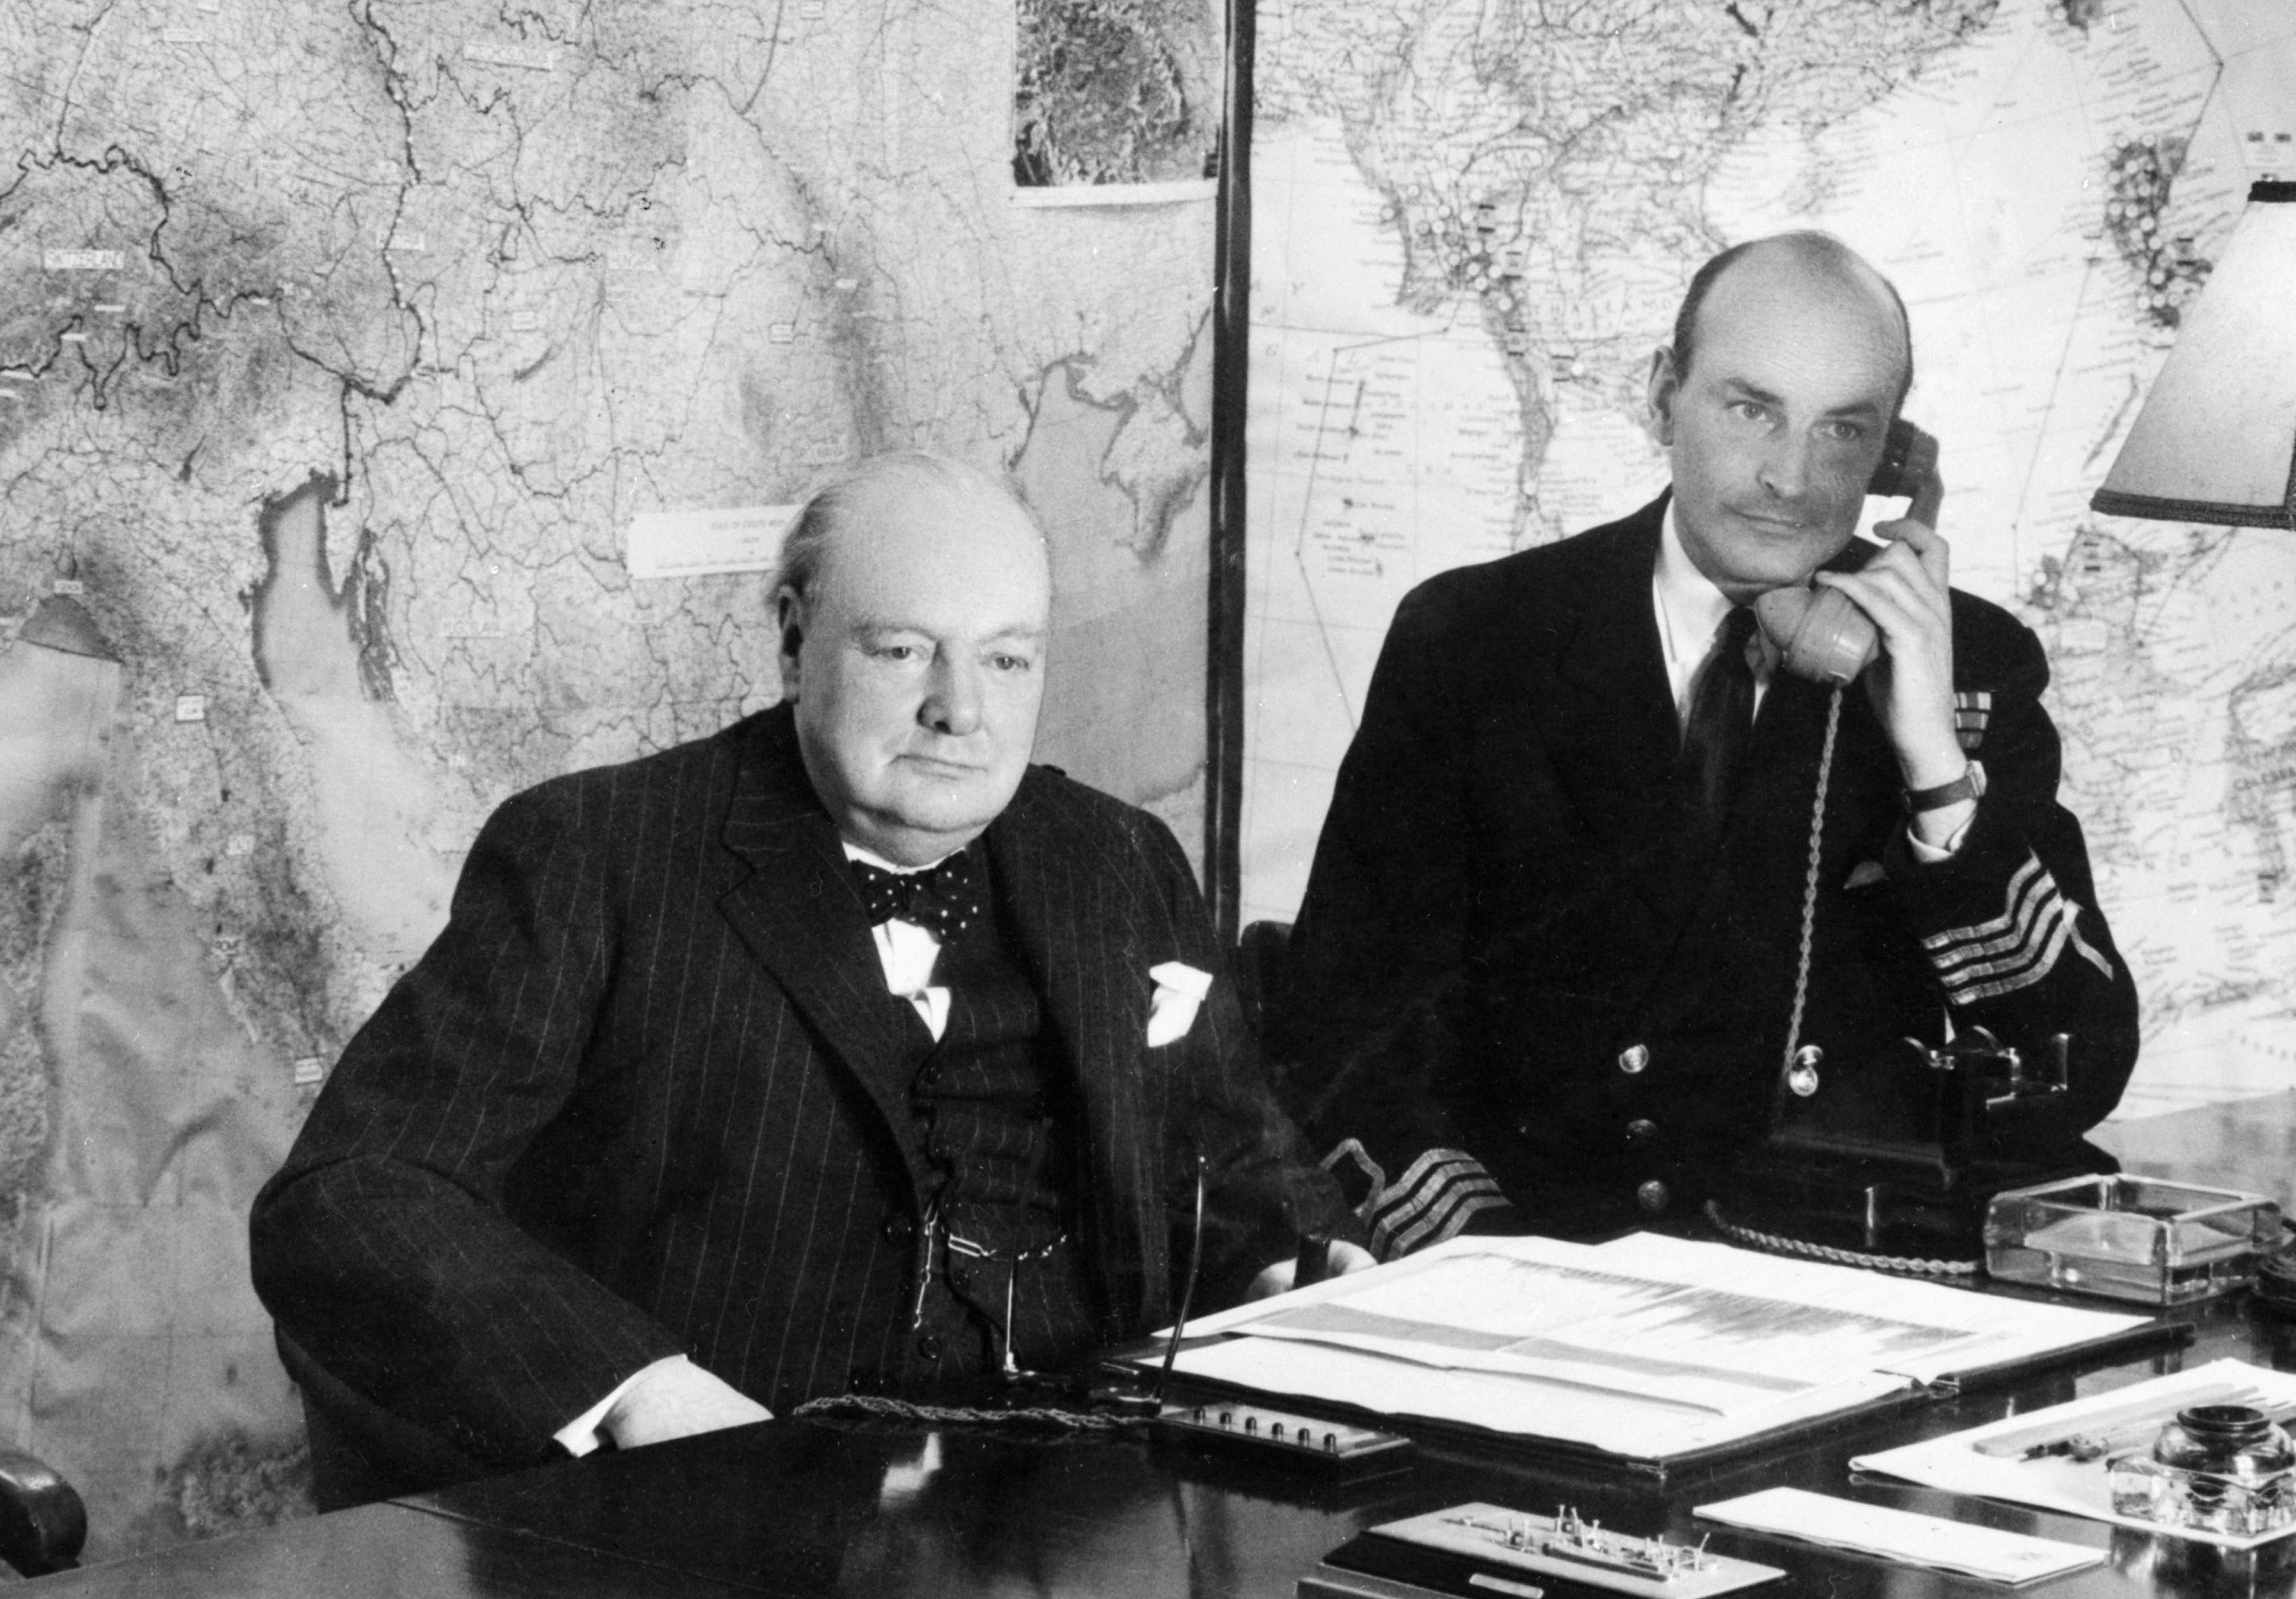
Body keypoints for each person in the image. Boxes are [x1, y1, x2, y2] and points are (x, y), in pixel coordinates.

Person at [252, 453, 1365, 1506]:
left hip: (1079, 1518)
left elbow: (1245, 1170)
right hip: (723, 1540)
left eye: (1007, 658)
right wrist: (643, 1393)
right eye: (902, 651)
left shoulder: (1116, 860)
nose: (960, 708)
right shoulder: (599, 858)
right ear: (794, 644)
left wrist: (1288, 1267)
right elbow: (350, 1191)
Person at [1268, 231, 2138, 1253]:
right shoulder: (1477, 642)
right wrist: (1491, 1264)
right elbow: (1343, 1033)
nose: (1790, 479)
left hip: (1841, 1279)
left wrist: (1935, 773)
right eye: (1750, 409)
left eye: (1843, 433)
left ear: (1895, 459)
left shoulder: (1968, 668)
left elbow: (2075, 1072)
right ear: (1660, 397)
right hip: (1553, 1268)